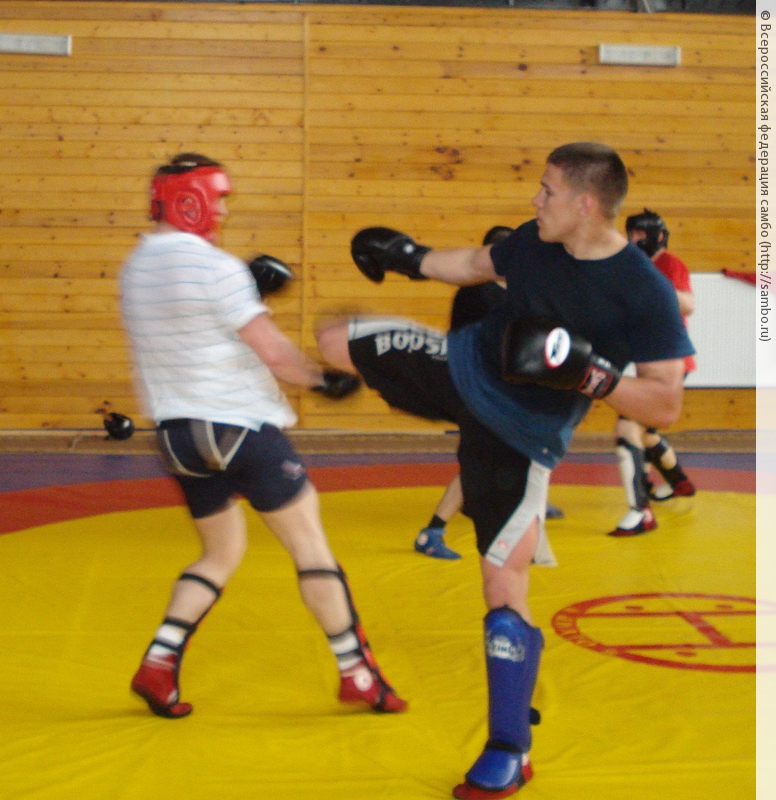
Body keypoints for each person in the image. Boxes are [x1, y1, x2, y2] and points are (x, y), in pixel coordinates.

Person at [315, 142, 694, 798]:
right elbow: (473, 263)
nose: (534, 200)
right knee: (336, 339)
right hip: (457, 366)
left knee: (502, 584)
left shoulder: (644, 290)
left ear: (586, 204)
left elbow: (666, 403)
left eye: (547, 190)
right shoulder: (536, 241)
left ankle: (509, 745)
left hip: (520, 433)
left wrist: (589, 377)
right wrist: (407, 257)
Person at [120, 152, 406, 719]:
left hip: (177, 435)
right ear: (190, 200)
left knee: (220, 552)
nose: (224, 210)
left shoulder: (136, 267)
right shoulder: (216, 268)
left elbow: (190, 325)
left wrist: (247, 291)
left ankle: (159, 662)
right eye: (219, 199)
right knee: (311, 548)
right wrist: (325, 380)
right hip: (238, 426)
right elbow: (274, 354)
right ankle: (357, 673)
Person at [415, 226, 563, 562]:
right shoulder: (480, 293)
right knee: (482, 459)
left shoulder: (505, 291)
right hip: (480, 388)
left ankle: (529, 502)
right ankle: (433, 529)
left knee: (516, 450)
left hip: (496, 387)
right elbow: (488, 343)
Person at [608, 208, 697, 537]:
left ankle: (640, 510)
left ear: (657, 236)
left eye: (640, 235)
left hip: (670, 365)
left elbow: (688, 304)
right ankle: (678, 482)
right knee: (646, 432)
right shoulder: (639, 266)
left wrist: (649, 285)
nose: (634, 240)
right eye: (631, 234)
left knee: (627, 427)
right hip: (650, 362)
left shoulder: (669, 264)